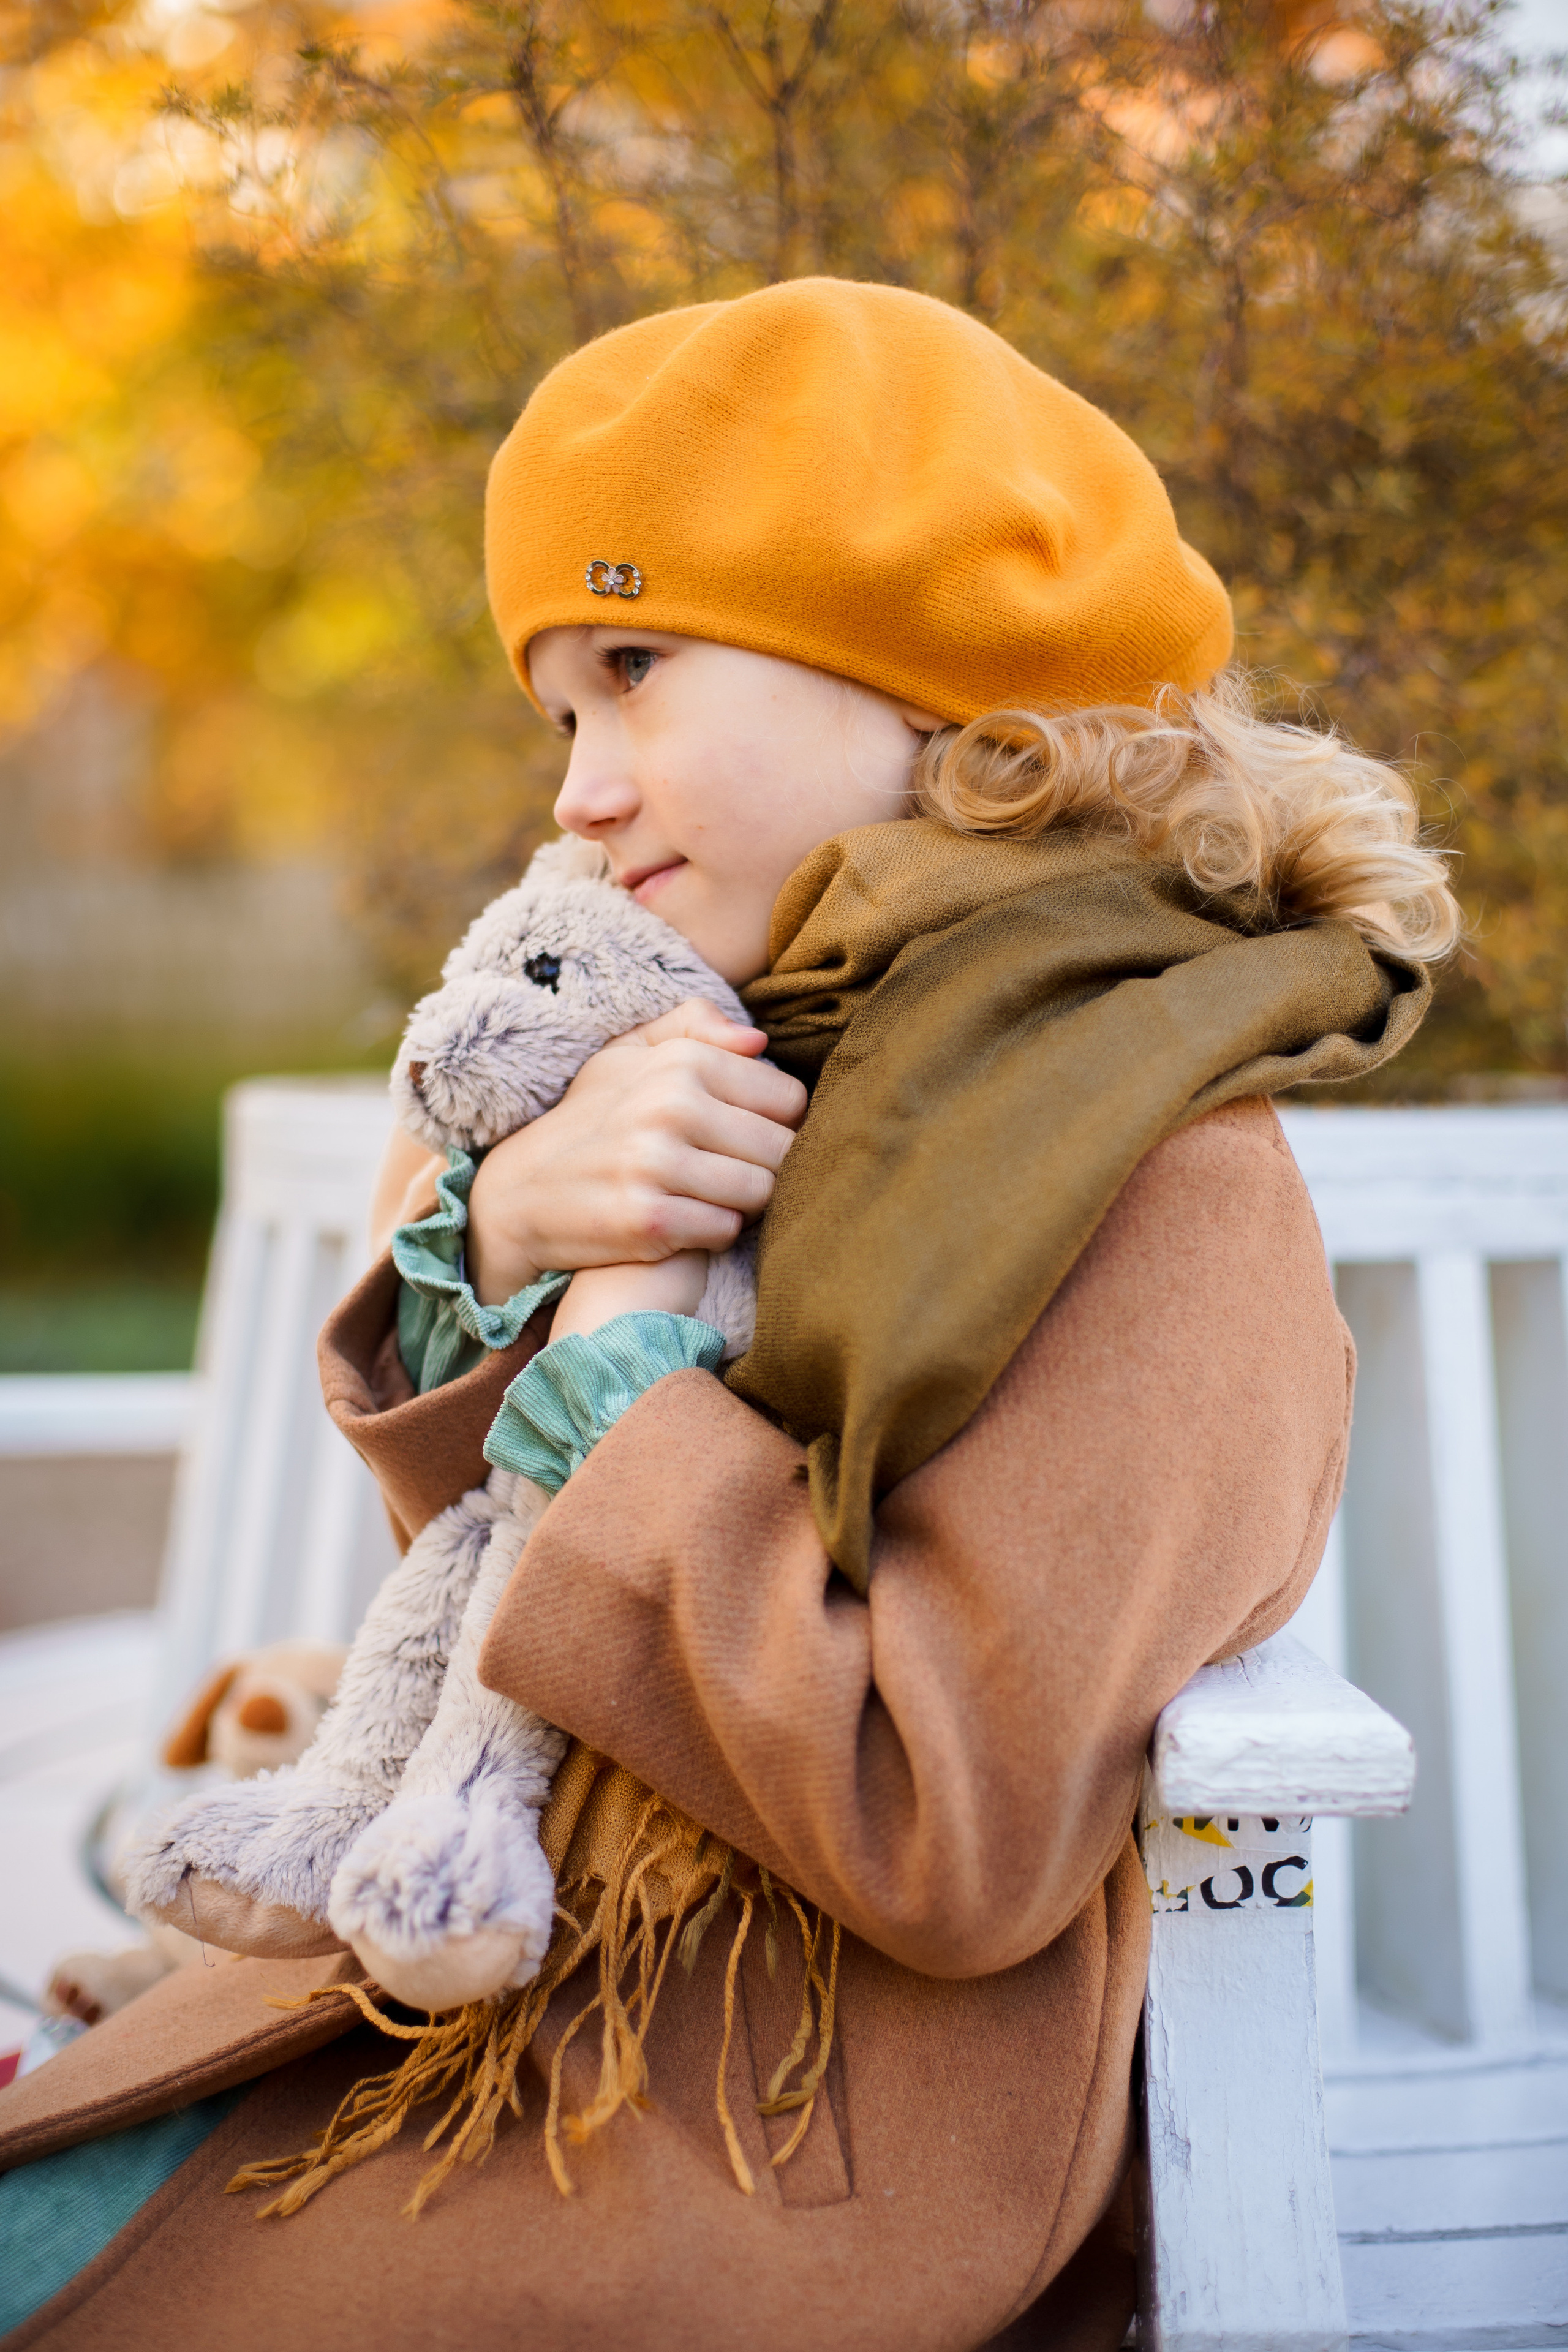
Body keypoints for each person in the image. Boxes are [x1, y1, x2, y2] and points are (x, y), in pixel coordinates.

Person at [0, 278, 1458, 2351]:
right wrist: (501, 1226)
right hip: (529, 1967)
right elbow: (502, 1578)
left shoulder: (1157, 1168)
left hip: (769, 2105)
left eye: (637, 670)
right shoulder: (742, 1045)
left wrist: (610, 1357)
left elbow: (953, 1829)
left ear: (940, 678)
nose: (581, 791)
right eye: (559, 717)